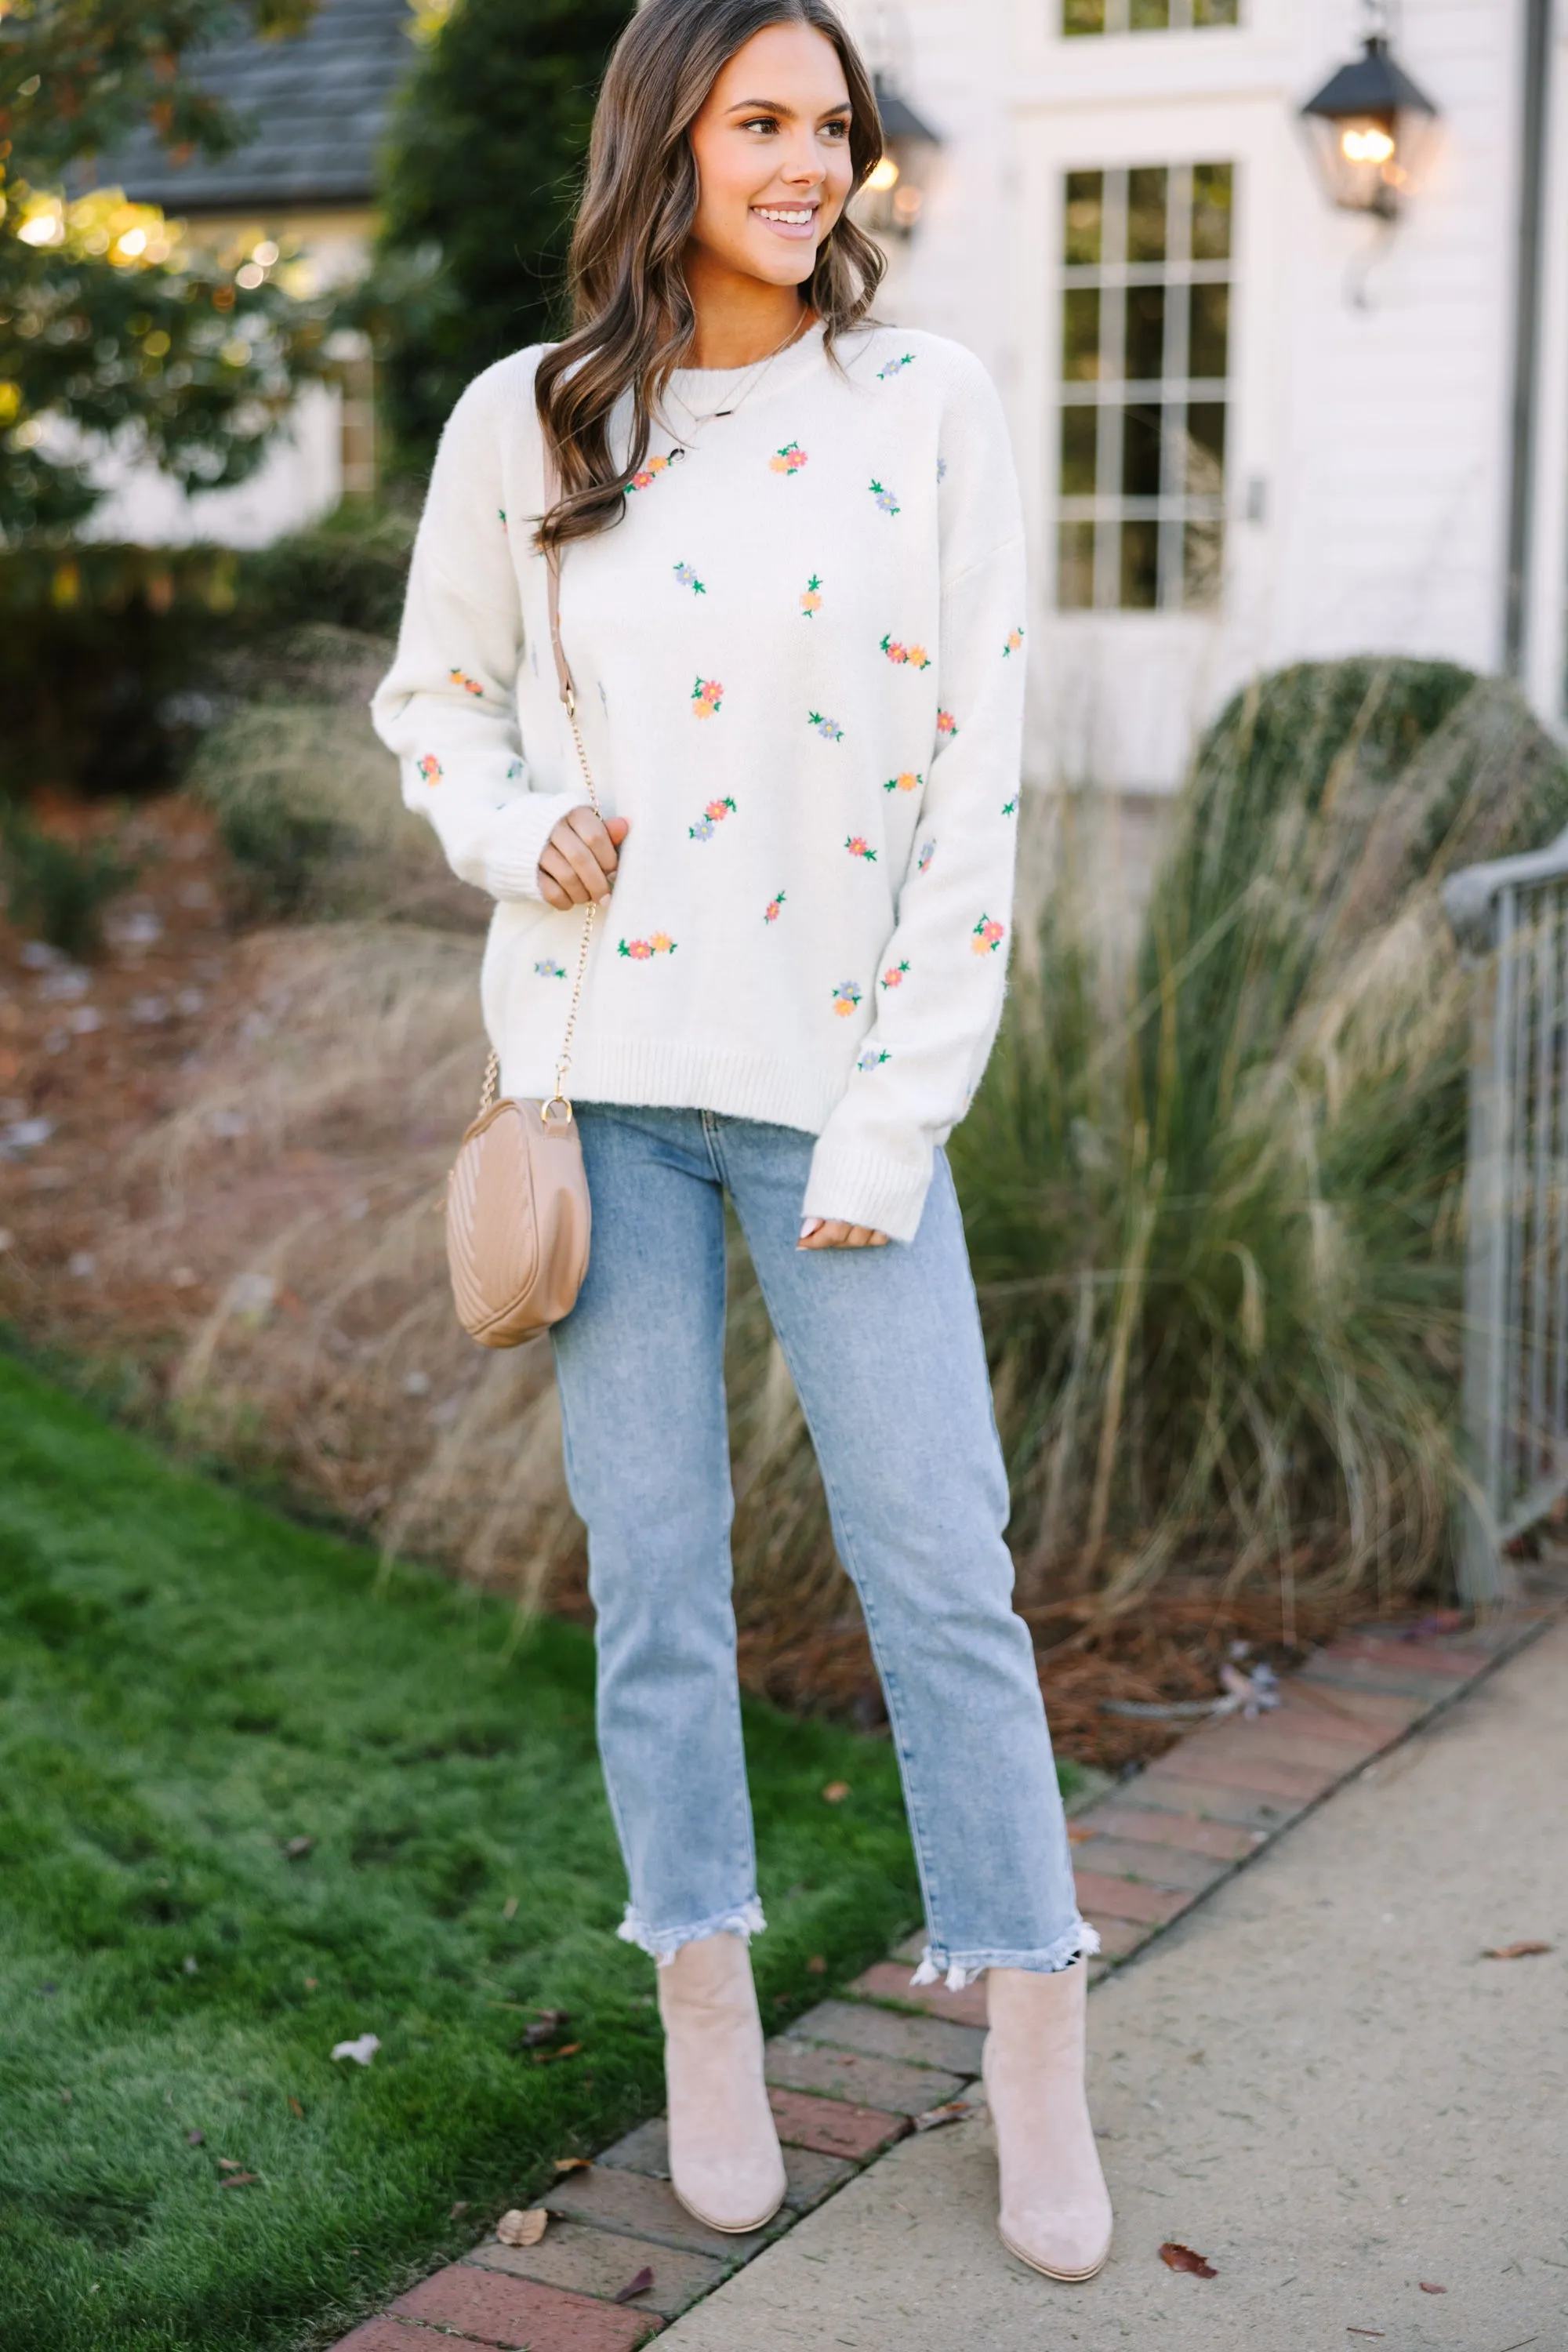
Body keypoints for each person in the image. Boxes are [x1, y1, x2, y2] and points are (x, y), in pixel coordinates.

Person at [372, 0, 1111, 2285]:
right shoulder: (537, 413)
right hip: (602, 1086)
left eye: (834, 127)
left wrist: (902, 1109)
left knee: (945, 1577)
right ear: (666, 137)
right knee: (659, 1584)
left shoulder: (927, 407)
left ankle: (1031, 2027)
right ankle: (704, 1989)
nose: (809, 163)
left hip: (834, 1096)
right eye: (763, 120)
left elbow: (979, 779)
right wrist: (516, 827)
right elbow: (440, 699)